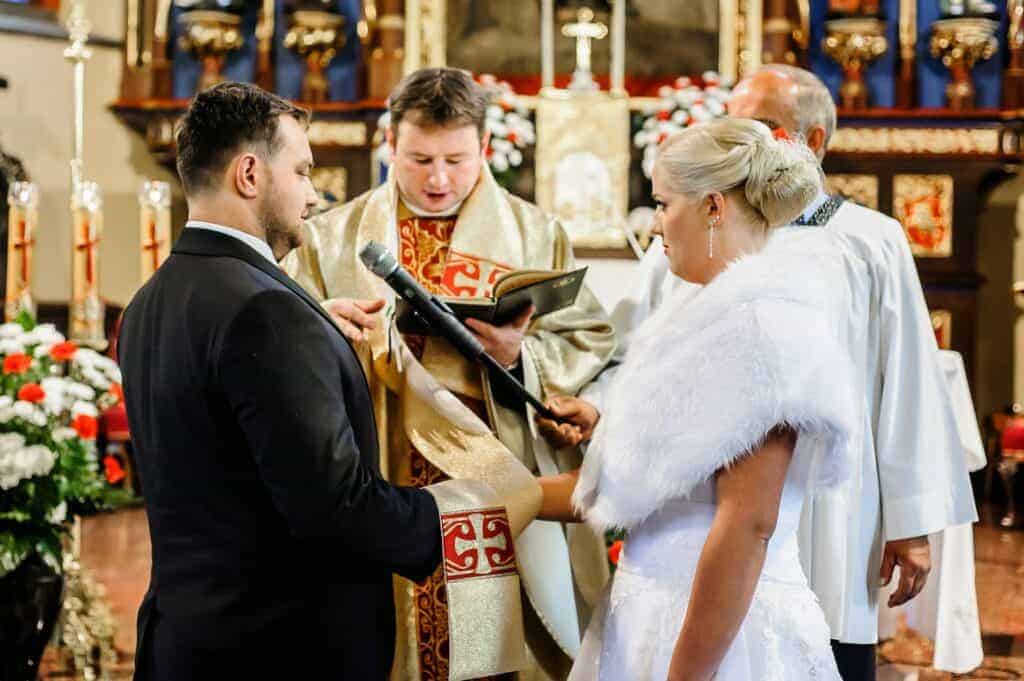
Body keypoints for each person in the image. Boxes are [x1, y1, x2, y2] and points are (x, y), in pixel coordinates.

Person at [542, 64, 979, 681]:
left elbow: (904, 383)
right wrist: (602, 414)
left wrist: (910, 522)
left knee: (805, 633)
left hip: (828, 502)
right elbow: (644, 358)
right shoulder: (695, 237)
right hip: (698, 521)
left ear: (813, 142)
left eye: (764, 125)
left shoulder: (869, 240)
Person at [281, 67, 616, 680]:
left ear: (485, 148)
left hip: (495, 463)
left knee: (491, 641)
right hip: (382, 460)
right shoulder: (328, 240)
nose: (438, 179)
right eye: (419, 159)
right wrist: (338, 330)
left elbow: (591, 337)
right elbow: (288, 356)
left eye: (456, 160)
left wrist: (520, 356)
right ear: (390, 145)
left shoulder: (536, 234)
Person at [118, 83, 444, 681]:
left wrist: (315, 326)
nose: (313, 194)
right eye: (301, 170)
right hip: (275, 650)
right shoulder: (267, 314)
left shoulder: (151, 299)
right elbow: (335, 507)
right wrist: (466, 514)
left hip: (186, 640)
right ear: (249, 173)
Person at [537, 118, 855, 680]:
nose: (657, 224)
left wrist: (685, 675)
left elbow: (748, 523)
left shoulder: (765, 326)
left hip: (715, 634)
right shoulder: (704, 314)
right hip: (647, 610)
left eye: (663, 204)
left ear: (712, 207)